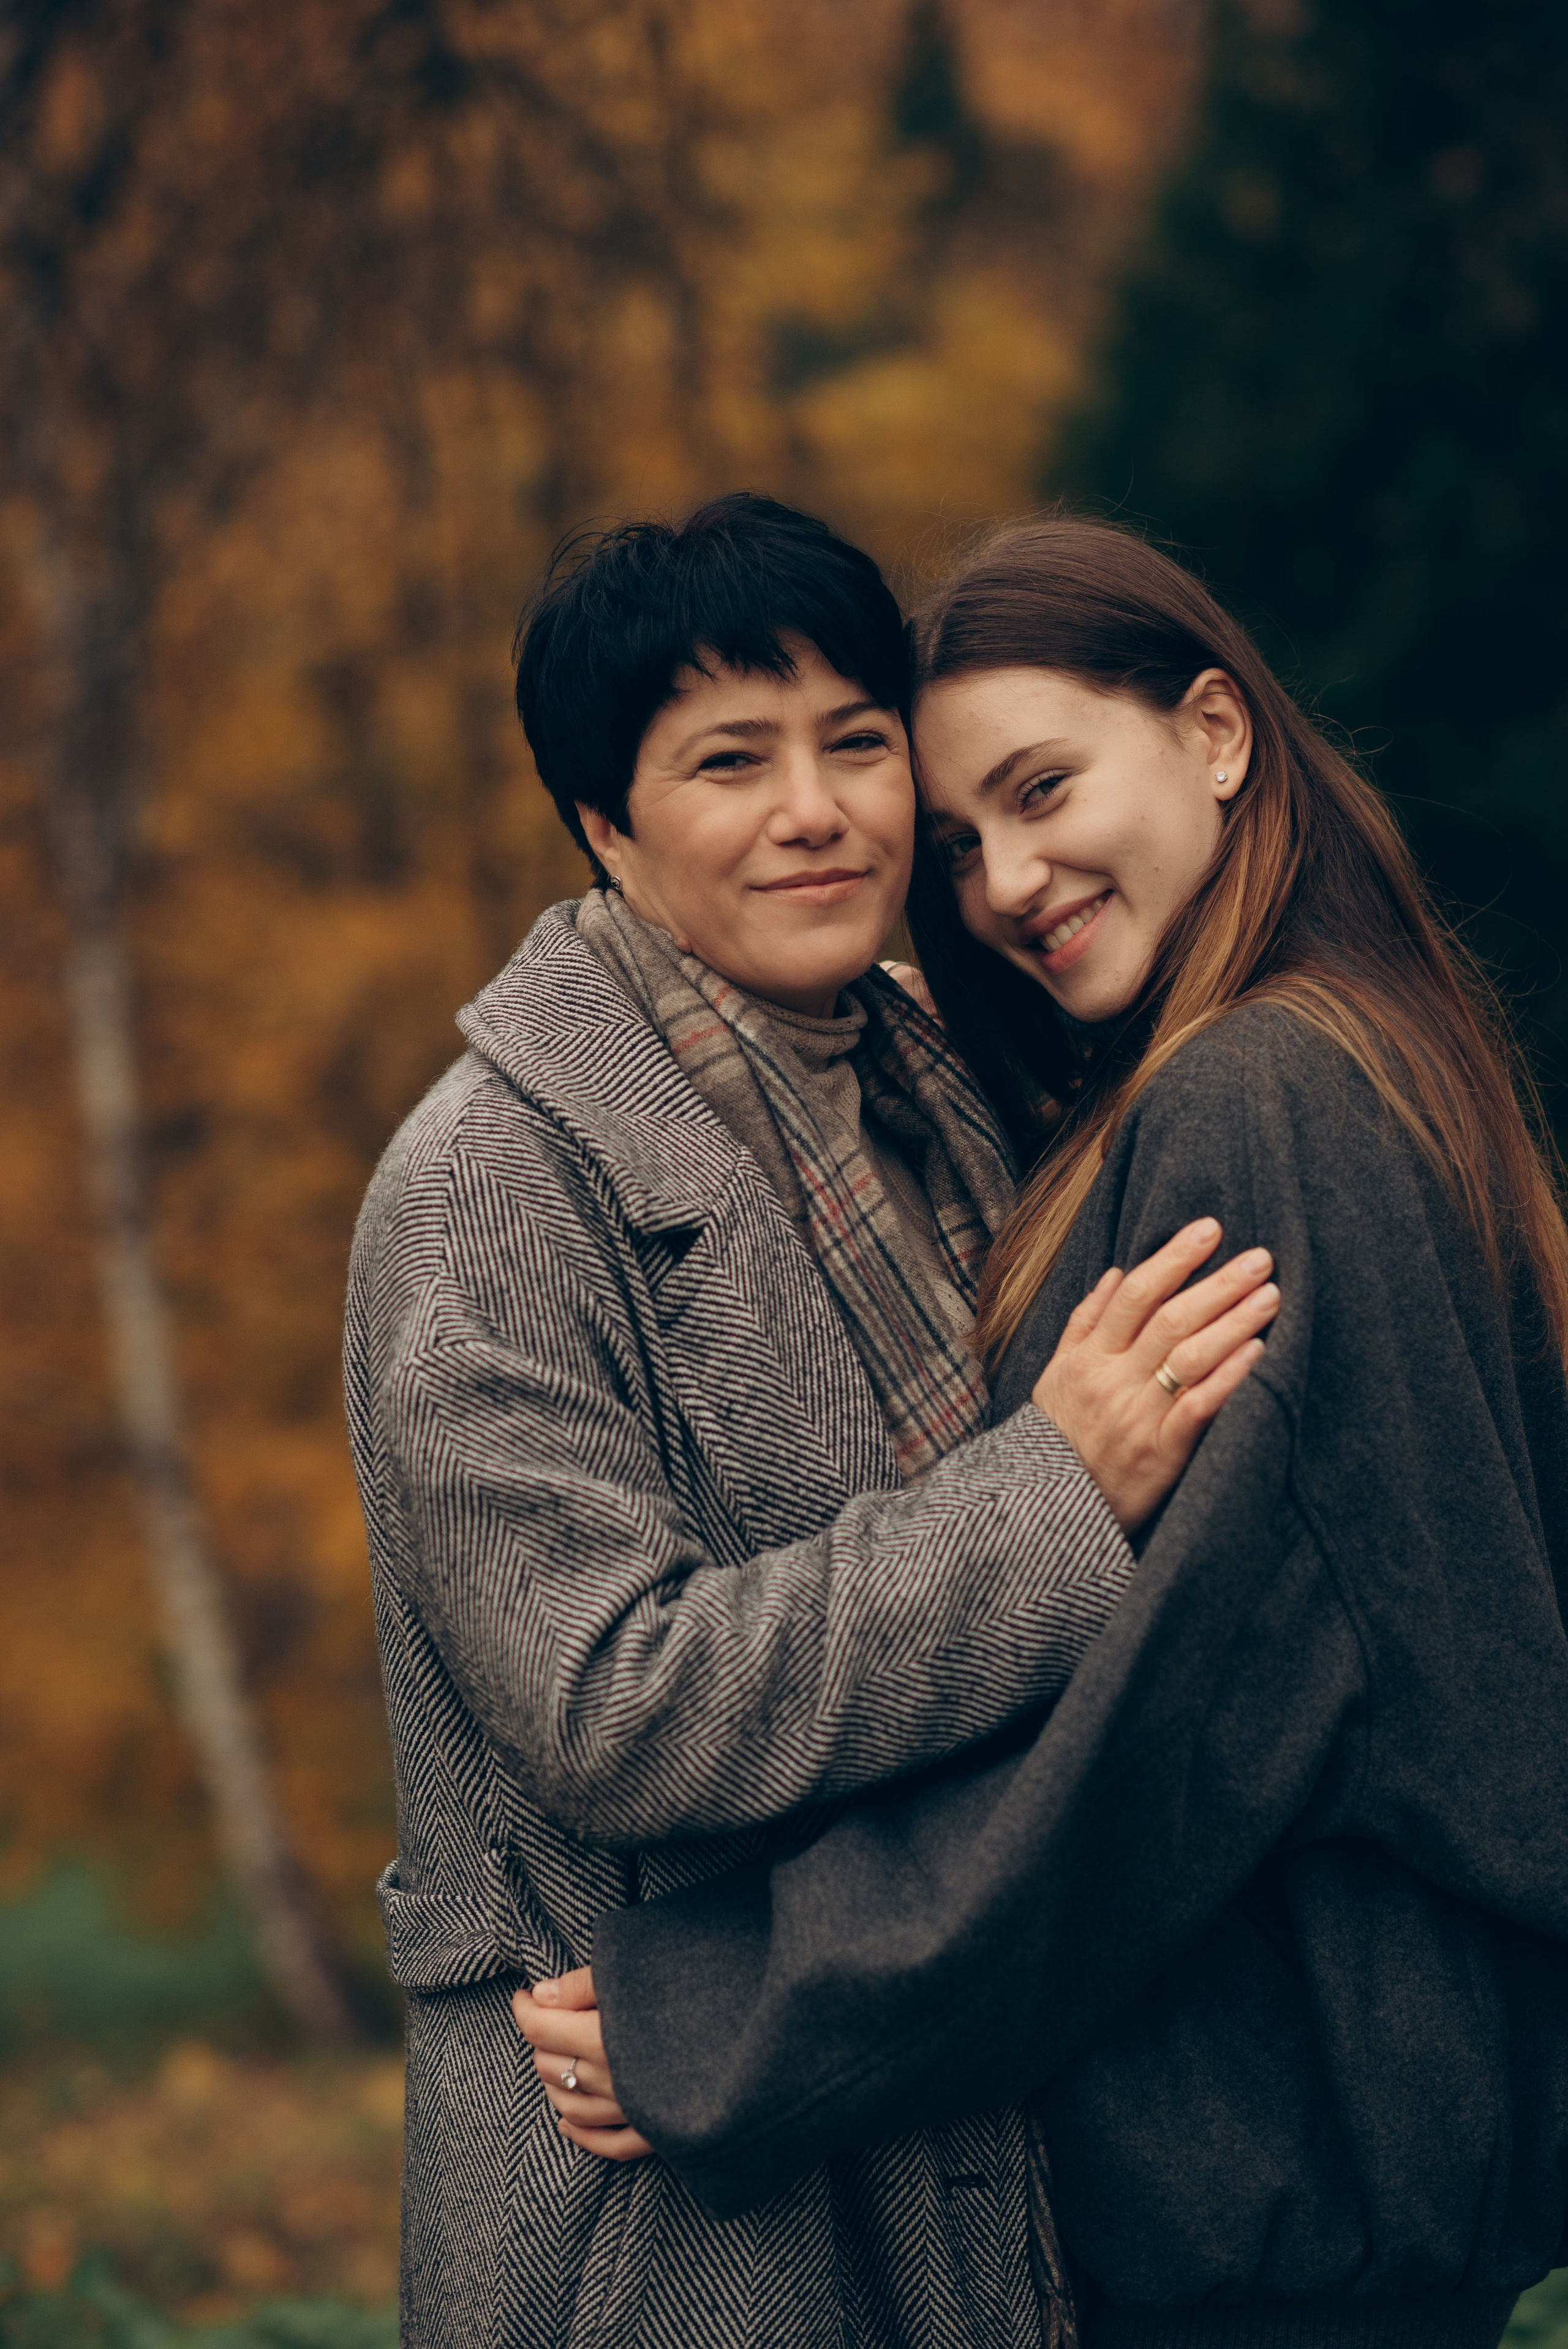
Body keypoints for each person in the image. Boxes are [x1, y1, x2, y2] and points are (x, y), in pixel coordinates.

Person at [527, 518, 1568, 2349]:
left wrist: (738, 2007)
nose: (1003, 879)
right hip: (1352, 2193)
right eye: (960, 842)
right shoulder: (1363, 1053)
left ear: (1220, 734)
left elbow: (1174, 1730)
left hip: (1286, 2221)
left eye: (1043, 787)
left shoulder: (1260, 1100)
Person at [344, 495, 1276, 2349]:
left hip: (939, 2095)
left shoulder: (953, 1085)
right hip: (662, 2191)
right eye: (728, 761)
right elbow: (614, 1696)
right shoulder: (490, 1187)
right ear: (607, 825)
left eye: (856, 741)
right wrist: (1052, 1499)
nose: (817, 809)